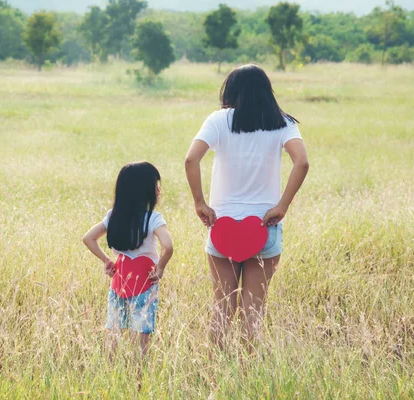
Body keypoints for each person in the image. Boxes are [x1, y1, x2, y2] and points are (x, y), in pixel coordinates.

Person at [184, 64, 309, 350]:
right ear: (267, 92)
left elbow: (191, 159)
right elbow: (301, 162)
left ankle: (214, 373)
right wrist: (282, 206)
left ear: (231, 90)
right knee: (253, 312)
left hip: (222, 226)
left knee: (222, 307)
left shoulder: (218, 120)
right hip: (265, 226)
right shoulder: (282, 122)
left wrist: (200, 203)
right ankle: (247, 376)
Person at [83, 161, 174, 358]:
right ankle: (139, 376)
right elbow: (168, 246)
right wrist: (160, 268)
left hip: (119, 283)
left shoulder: (113, 216)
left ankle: (111, 372)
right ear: (145, 191)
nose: (159, 189)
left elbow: (88, 238)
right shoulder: (153, 218)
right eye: (155, 185)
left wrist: (107, 260)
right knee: (141, 335)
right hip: (146, 284)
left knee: (114, 331)